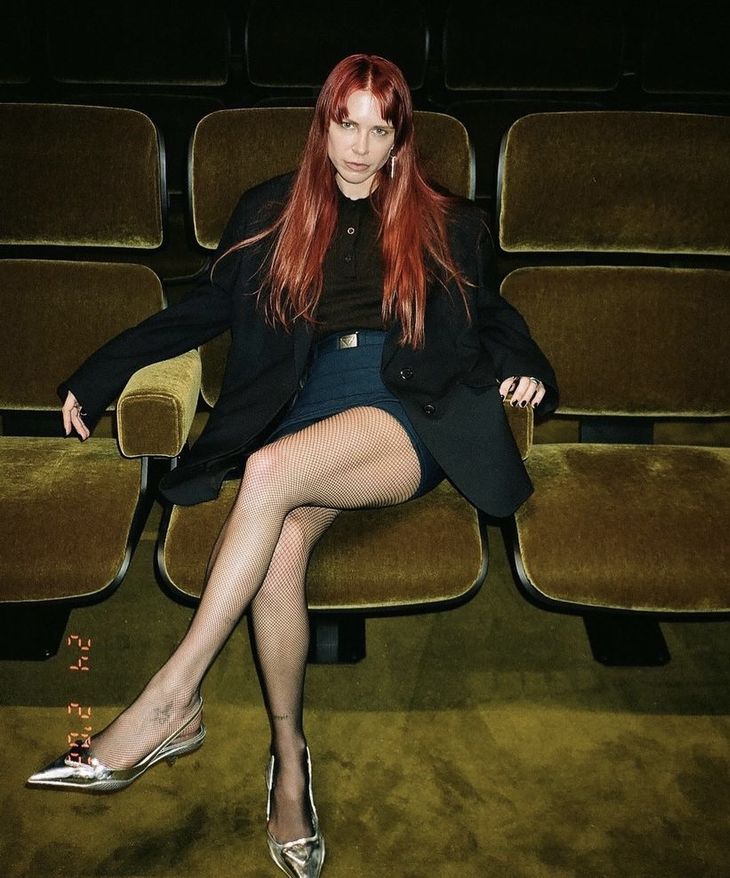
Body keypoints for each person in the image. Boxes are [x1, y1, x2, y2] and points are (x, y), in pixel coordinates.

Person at [27, 54, 557, 878]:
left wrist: (532, 369)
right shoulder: (270, 211)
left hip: (407, 409)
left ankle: (171, 700)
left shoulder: (445, 220)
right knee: (276, 552)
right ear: (324, 122)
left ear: (400, 138)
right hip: (309, 405)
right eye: (348, 122)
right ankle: (290, 757)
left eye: (381, 128)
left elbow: (493, 312)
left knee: (268, 473)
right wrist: (98, 373)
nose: (361, 145)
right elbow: (201, 308)